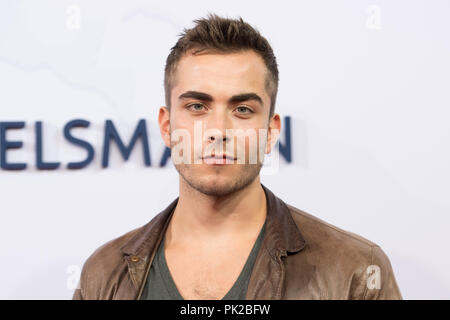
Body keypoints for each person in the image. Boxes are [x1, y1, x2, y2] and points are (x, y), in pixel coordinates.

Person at [72, 13, 402, 300]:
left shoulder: (355, 272)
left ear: (271, 131)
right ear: (167, 125)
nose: (219, 130)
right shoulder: (103, 273)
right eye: (197, 106)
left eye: (242, 109)